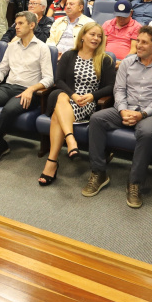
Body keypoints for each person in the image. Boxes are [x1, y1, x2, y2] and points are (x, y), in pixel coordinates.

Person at [82, 26, 152, 206]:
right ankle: (99, 172)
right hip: (125, 109)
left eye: (144, 42)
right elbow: (119, 90)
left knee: (147, 133)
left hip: (151, 114)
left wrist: (142, 114)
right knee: (97, 119)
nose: (138, 45)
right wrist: (123, 110)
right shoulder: (127, 62)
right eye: (138, 41)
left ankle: (135, 182)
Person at [0, 11, 54, 164]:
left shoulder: (42, 48)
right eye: (15, 23)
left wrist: (32, 89)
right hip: (8, 86)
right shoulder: (11, 46)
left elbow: (49, 78)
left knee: (8, 109)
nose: (16, 27)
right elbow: (2, 69)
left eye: (20, 23)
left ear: (32, 25)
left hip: (28, 91)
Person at [39, 22, 116, 185]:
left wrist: (92, 96)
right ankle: (70, 139)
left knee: (57, 116)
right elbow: (58, 80)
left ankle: (52, 162)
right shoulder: (69, 55)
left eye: (99, 36)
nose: (96, 38)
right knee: (61, 98)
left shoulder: (105, 60)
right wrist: (72, 95)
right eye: (92, 34)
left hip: (86, 102)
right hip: (66, 95)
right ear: (83, 36)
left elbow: (110, 86)